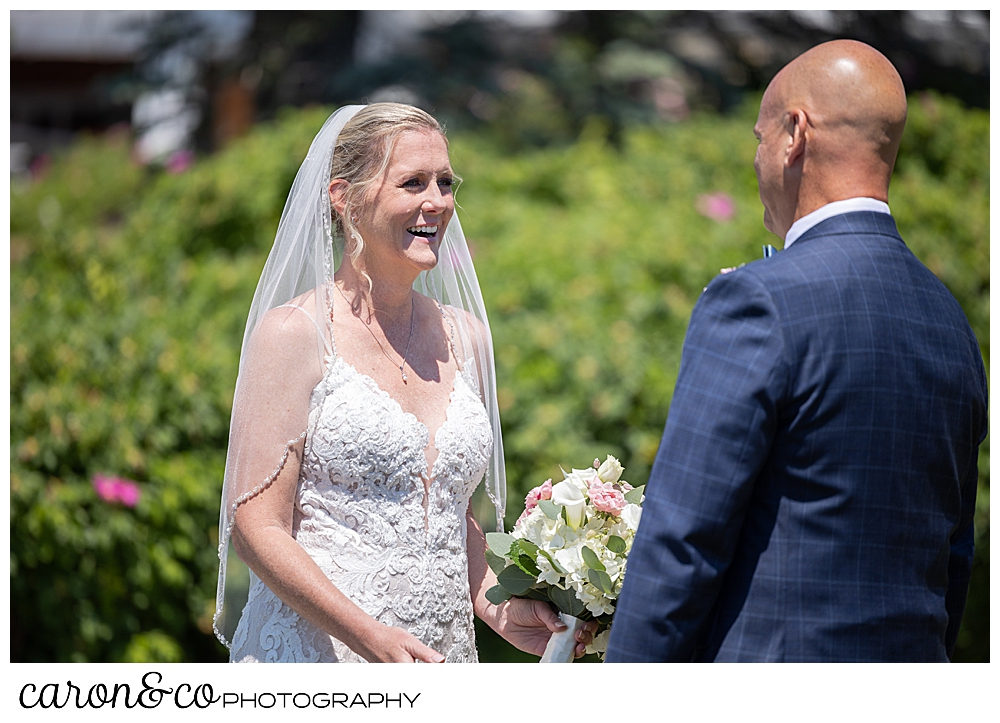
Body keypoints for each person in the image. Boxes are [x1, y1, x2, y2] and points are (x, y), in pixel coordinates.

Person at [605, 40, 987, 662]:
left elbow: (684, 540)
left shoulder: (758, 302)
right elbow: (955, 555)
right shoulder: (950, 321)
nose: (756, 158)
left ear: (795, 135)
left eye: (759, 138)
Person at [213, 103, 595, 663]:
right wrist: (367, 635)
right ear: (343, 197)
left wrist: (503, 611)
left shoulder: (466, 338)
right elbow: (254, 526)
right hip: (321, 660)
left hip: (436, 661)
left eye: (445, 182)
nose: (437, 202)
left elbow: (443, 516)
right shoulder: (295, 333)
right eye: (412, 182)